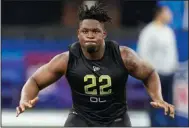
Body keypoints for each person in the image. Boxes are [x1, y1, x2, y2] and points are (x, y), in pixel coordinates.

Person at [16, 3, 175, 127]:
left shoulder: (123, 56)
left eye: (95, 31)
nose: (90, 35)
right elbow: (34, 81)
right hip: (81, 117)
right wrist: (25, 99)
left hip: (116, 119)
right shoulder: (67, 59)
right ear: (78, 34)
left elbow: (149, 73)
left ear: (104, 34)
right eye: (85, 31)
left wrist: (157, 97)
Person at [137, 5, 178, 126]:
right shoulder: (149, 31)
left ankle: (172, 125)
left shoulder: (168, 30)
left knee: (170, 103)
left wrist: (173, 67)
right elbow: (142, 52)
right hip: (156, 75)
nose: (170, 15)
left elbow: (172, 52)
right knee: (155, 105)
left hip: (169, 73)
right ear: (160, 14)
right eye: (168, 12)